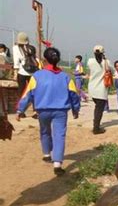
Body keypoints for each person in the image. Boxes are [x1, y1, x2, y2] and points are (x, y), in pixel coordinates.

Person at [16, 47, 81, 176]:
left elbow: (28, 94)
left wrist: (20, 109)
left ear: (45, 60)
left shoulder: (37, 76)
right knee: (59, 136)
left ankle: (46, 154)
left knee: (45, 131)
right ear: (58, 60)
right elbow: (74, 95)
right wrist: (75, 109)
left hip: (43, 110)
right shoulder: (66, 77)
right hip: (61, 111)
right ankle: (57, 164)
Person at [87, 45, 111, 134]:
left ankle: (96, 125)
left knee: (97, 108)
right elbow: (110, 69)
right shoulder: (106, 62)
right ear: (103, 53)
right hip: (101, 90)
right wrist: (105, 58)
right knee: (99, 110)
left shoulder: (90, 61)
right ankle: (96, 128)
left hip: (92, 88)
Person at [12, 32, 39, 97]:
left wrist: (15, 75)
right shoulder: (31, 48)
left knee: (21, 91)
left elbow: (16, 62)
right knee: (32, 90)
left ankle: (21, 105)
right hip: (32, 72)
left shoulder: (15, 48)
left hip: (22, 72)